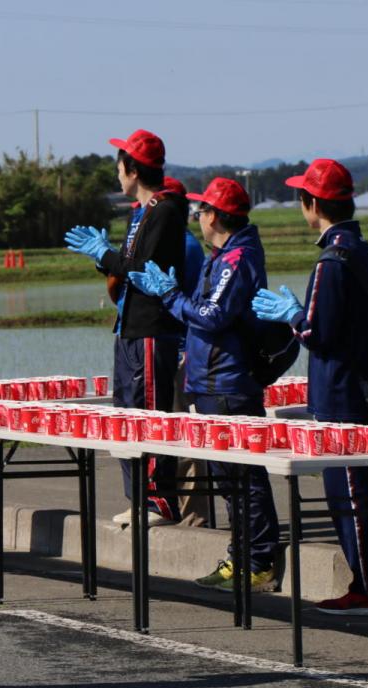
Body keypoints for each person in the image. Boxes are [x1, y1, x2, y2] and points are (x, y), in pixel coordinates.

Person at [252, 159, 368, 615]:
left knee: (350, 497)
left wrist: (292, 315)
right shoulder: (364, 252)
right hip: (365, 390)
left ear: (312, 203)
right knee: (360, 495)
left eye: (302, 198)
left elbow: (317, 333)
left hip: (341, 397)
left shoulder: (332, 261)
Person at [129, 177, 281, 591]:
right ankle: (241, 556)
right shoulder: (223, 255)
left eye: (201, 211)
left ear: (215, 216)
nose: (197, 217)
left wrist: (170, 296)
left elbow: (212, 316)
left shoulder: (237, 258)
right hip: (212, 382)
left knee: (244, 479)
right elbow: (202, 310)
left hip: (228, 383)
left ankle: (259, 561)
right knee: (230, 481)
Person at [65, 129, 186, 526]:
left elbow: (142, 269)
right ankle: (138, 498)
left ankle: (159, 501)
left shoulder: (165, 210)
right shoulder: (142, 212)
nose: (117, 175)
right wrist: (105, 259)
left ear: (133, 170)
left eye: (119, 167)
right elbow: (127, 266)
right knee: (127, 412)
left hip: (151, 328)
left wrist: (107, 256)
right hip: (129, 327)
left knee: (149, 412)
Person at [165, 177, 212, 528]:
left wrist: (183, 347)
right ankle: (178, 509)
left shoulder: (183, 246)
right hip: (171, 348)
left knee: (186, 435)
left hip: (182, 350)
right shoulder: (172, 243)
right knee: (174, 433)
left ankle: (194, 517)